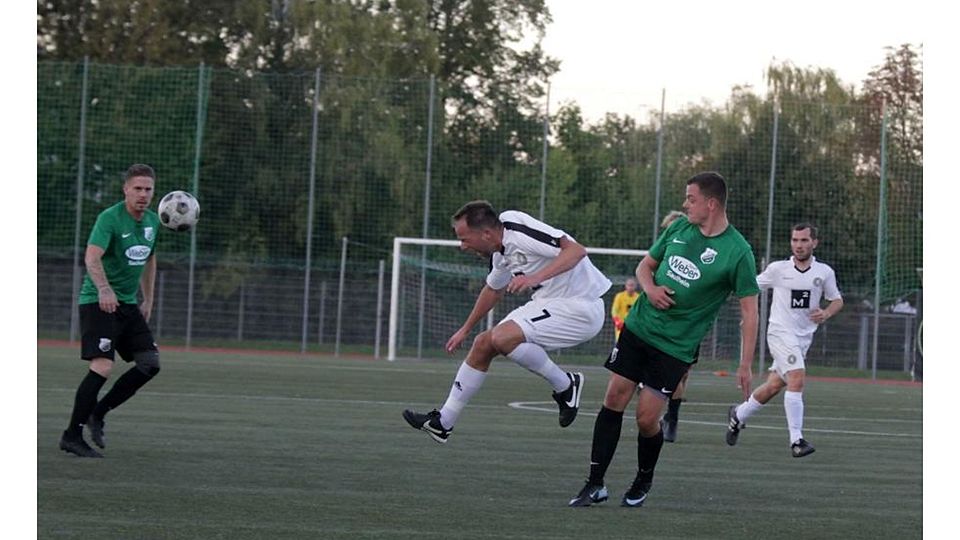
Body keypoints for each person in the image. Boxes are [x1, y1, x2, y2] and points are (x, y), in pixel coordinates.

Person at [569, 172, 759, 507]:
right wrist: (651, 288)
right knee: (614, 397)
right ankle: (594, 483)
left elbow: (750, 312)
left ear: (711, 204)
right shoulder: (678, 229)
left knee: (646, 418)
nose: (686, 204)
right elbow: (645, 266)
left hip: (674, 347)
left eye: (692, 198)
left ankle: (643, 479)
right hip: (639, 328)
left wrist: (745, 364)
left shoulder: (738, 252)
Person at [402, 200, 612, 443]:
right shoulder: (499, 255)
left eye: (465, 238)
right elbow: (493, 290)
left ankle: (565, 385)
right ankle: (443, 422)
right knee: (483, 343)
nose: (462, 246)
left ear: (487, 233)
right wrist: (465, 329)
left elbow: (576, 251)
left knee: (501, 338)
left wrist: (534, 277)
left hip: (580, 305)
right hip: (548, 302)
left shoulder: (515, 226)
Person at [59, 164, 163, 458]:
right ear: (126, 190)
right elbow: (91, 256)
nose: (143, 194)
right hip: (98, 301)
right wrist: (104, 289)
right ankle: (72, 435)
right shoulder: (110, 218)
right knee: (103, 366)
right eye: (138, 189)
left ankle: (98, 413)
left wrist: (149, 298)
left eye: (148, 189)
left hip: (128, 304)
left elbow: (150, 259)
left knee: (149, 364)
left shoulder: (153, 222)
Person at [725, 223, 843, 458]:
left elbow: (837, 300)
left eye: (804, 240)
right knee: (797, 377)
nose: (798, 245)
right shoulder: (778, 269)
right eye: (795, 240)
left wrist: (826, 313)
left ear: (814, 243)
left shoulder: (824, 272)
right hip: (779, 333)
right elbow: (749, 285)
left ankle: (738, 415)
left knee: (773, 386)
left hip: (803, 338)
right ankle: (796, 440)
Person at [656, 210, 691, 443]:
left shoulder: (684, 254)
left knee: (678, 375)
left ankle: (671, 418)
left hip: (682, 324)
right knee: (678, 375)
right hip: (669, 322)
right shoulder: (664, 253)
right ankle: (670, 417)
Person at [610, 278, 639, 342]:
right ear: (625, 286)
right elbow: (614, 310)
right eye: (629, 285)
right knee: (619, 343)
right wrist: (617, 321)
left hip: (633, 327)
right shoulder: (620, 296)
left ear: (636, 286)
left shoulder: (638, 298)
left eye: (632, 285)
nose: (630, 287)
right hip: (621, 325)